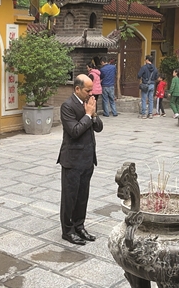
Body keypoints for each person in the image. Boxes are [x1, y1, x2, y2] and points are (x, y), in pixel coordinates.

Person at [57, 74, 104, 246]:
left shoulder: (89, 104)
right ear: (77, 89)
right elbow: (75, 131)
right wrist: (87, 114)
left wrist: (93, 115)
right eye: (88, 90)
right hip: (72, 160)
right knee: (70, 197)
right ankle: (67, 230)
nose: (91, 93)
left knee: (83, 196)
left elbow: (98, 128)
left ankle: (79, 225)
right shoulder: (67, 106)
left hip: (87, 159)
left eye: (92, 90)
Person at [137, 55, 159, 119]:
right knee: (151, 100)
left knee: (144, 99)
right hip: (152, 85)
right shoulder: (155, 68)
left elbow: (138, 75)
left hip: (145, 85)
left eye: (145, 59)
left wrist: (142, 78)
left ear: (147, 60)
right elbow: (156, 77)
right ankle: (150, 114)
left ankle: (144, 114)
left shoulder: (144, 67)